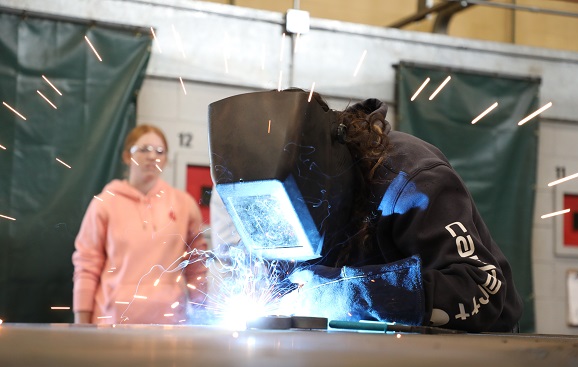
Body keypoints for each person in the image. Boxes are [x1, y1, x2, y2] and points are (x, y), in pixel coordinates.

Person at [208, 89, 523, 333]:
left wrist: (346, 293)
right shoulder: (280, 197)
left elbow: (482, 289)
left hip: (478, 353)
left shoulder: (410, 178)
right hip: (378, 347)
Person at [72, 124, 208, 324]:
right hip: (112, 324)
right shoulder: (104, 204)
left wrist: (202, 314)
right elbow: (87, 264)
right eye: (143, 149)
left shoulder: (184, 204)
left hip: (168, 326)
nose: (152, 156)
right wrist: (81, 319)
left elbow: (197, 266)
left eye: (159, 151)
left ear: (165, 160)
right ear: (127, 157)